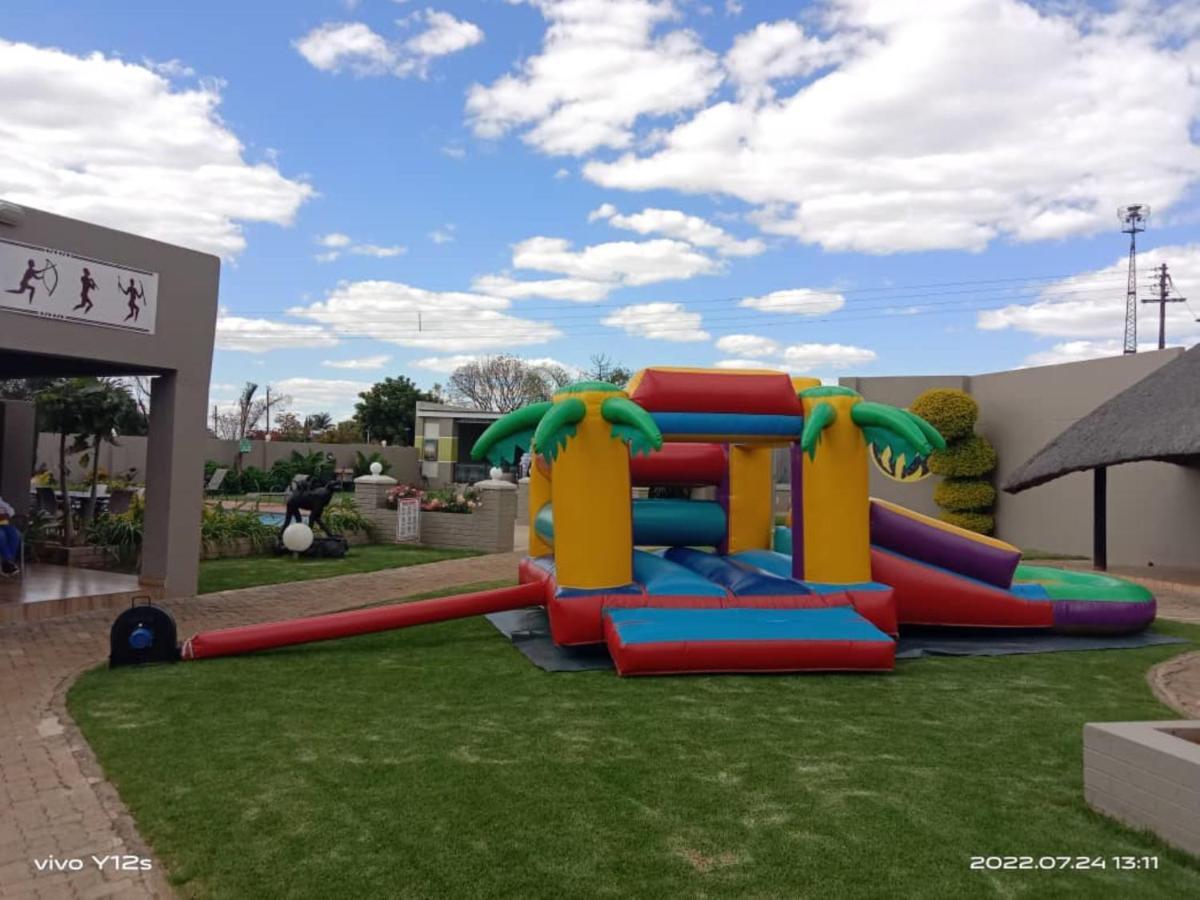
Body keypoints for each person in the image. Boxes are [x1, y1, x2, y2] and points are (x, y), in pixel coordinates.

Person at [0, 496, 20, 576]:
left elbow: (11, 510)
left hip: (3, 523)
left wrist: (7, 514)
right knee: (1, 535)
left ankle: (7, 563)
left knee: (16, 534)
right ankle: (8, 563)